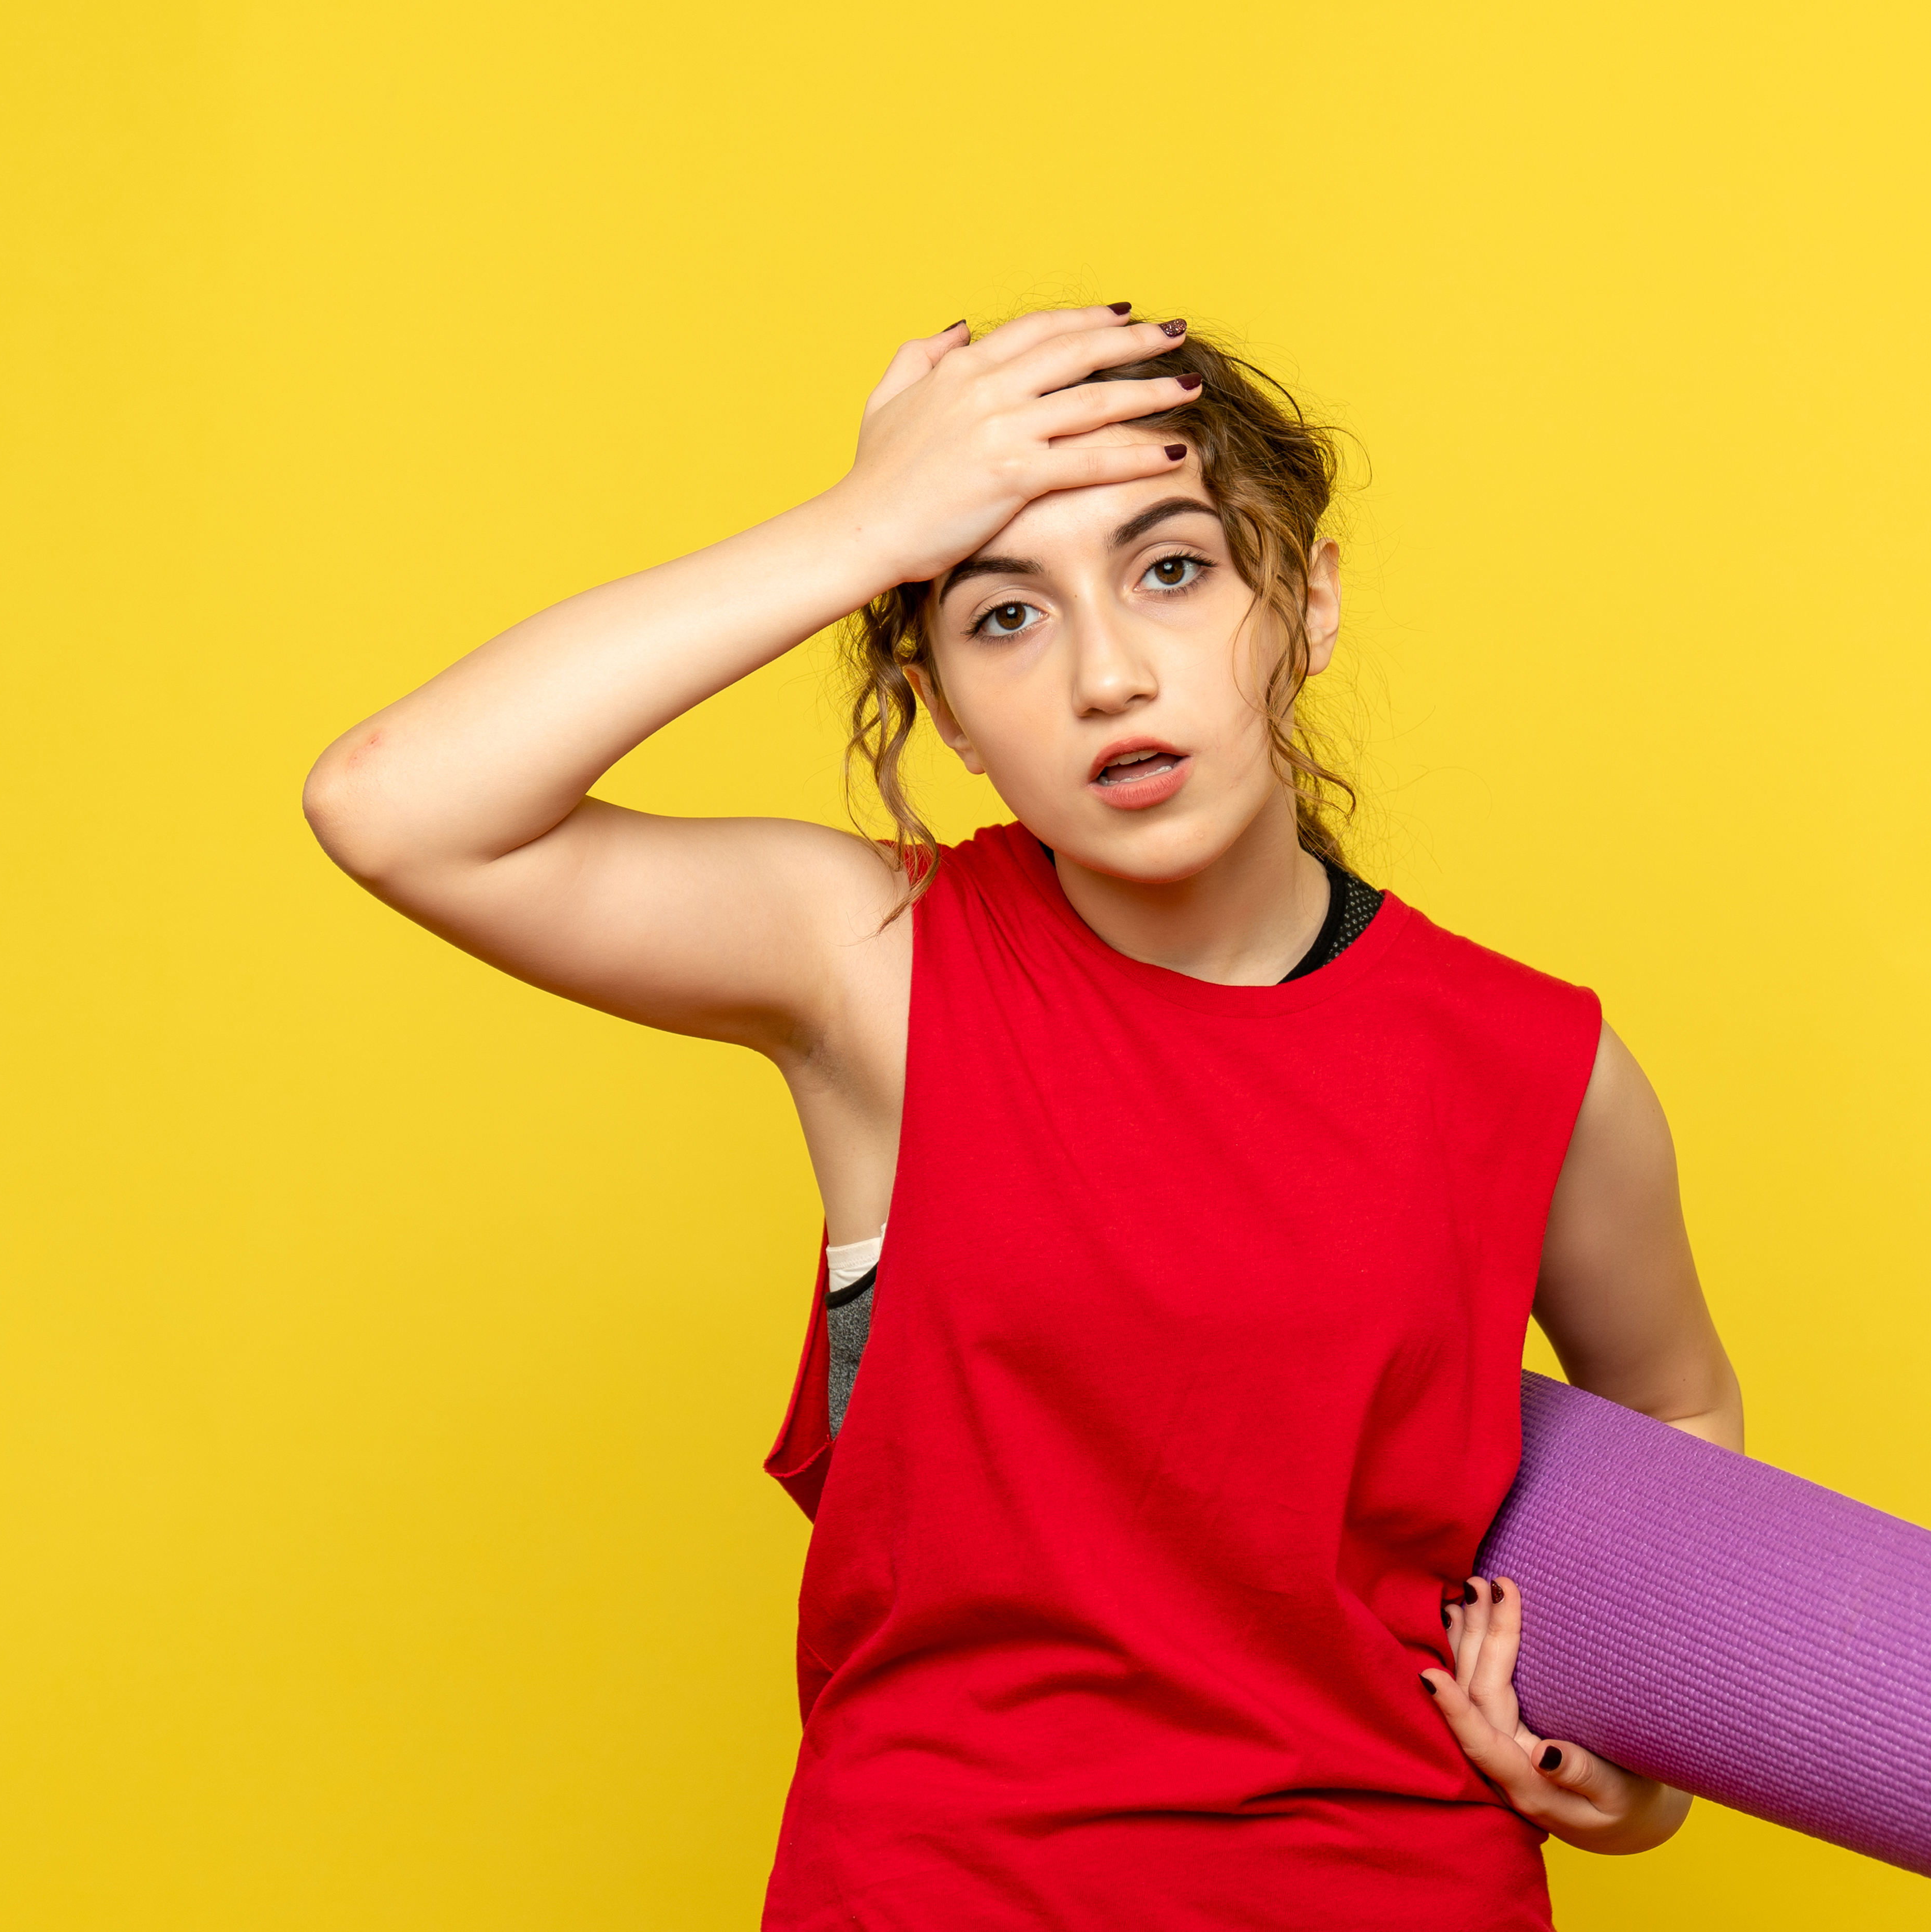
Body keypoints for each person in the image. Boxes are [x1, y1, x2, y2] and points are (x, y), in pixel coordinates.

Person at [302, 304, 1745, 1929]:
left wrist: (1647, 1742)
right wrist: (866, 529)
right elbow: (396, 807)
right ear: (947, 711)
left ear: (1311, 603)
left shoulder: (1531, 1059)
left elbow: (1672, 1405)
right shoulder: (873, 971)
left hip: (1398, 1882)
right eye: (1004, 616)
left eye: (1174, 571)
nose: (1108, 671)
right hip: (940, 1891)